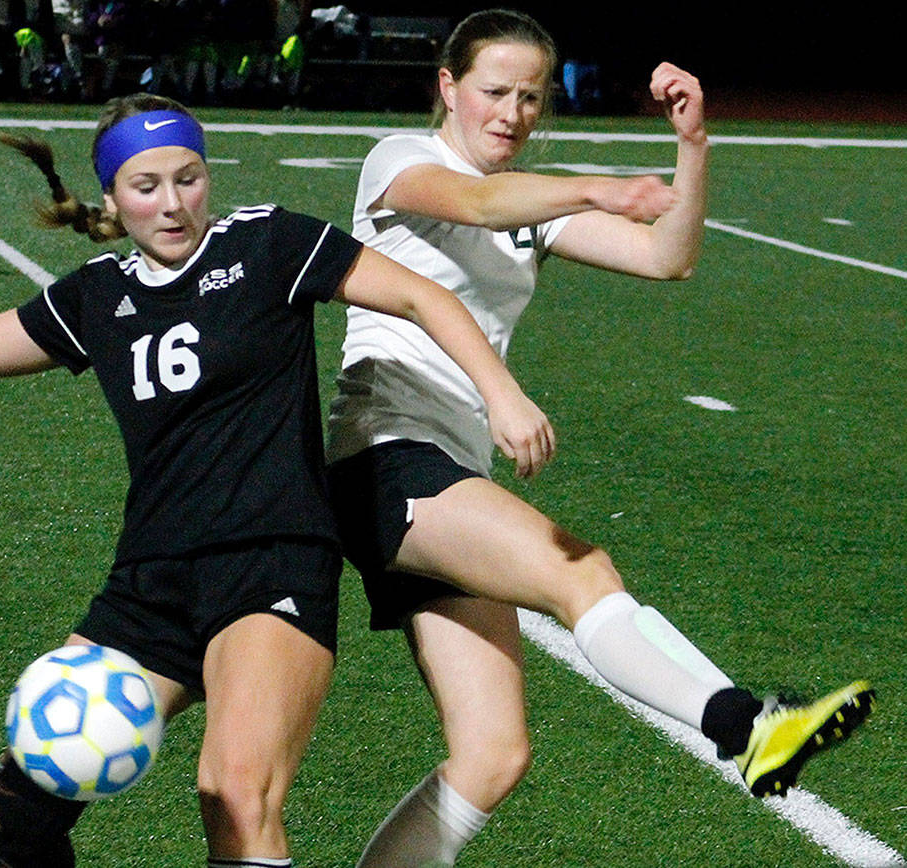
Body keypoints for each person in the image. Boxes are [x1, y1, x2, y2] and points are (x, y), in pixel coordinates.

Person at [0, 92, 552, 867]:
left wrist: (502, 394)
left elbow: (418, 292)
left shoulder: (269, 246)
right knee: (21, 805)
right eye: (146, 186)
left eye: (188, 178)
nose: (172, 204)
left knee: (234, 793)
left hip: (271, 564)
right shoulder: (99, 296)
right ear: (111, 198)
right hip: (150, 579)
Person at [324, 9, 875, 867]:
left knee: (492, 756)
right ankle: (748, 727)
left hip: (444, 472)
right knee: (581, 570)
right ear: (448, 87)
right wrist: (596, 184)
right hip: (386, 458)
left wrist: (692, 148)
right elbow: (472, 201)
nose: (512, 112)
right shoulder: (403, 163)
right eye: (494, 91)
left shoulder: (529, 208)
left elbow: (667, 258)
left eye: (531, 97)